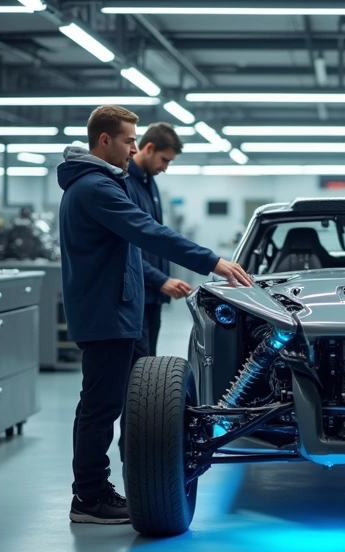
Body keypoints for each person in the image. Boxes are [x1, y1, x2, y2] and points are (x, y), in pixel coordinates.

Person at [57, 105, 252, 525]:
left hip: (117, 311)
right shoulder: (96, 188)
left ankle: (112, 488)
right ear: (104, 140)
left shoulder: (105, 183)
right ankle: (88, 498)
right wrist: (212, 261)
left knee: (124, 403)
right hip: (106, 314)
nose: (132, 148)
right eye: (128, 140)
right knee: (100, 407)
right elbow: (148, 232)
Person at [126, 122, 192, 360]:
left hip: (152, 296)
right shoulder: (126, 184)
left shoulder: (149, 183)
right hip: (136, 297)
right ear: (149, 148)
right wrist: (161, 279)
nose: (165, 168)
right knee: (138, 364)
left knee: (148, 363)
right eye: (165, 160)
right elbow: (128, 249)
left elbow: (155, 237)